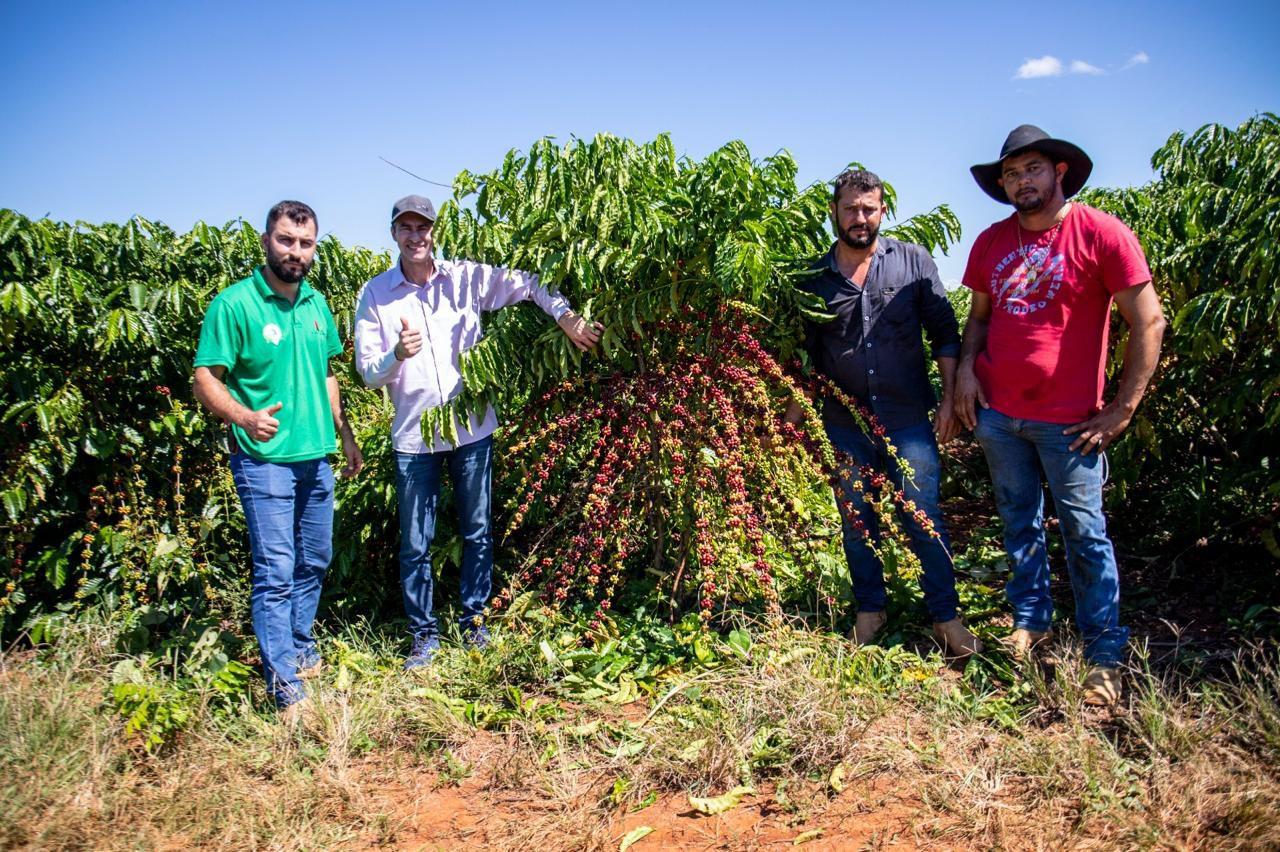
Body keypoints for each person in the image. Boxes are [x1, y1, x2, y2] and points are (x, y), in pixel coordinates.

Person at [955, 125, 1166, 705]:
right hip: (1000, 416)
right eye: (1011, 173)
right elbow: (977, 320)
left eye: (1032, 169)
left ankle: (1103, 652)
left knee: (1085, 535)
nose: (1022, 181)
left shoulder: (1100, 233)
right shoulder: (992, 242)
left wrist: (1122, 407)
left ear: (1060, 173)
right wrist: (968, 372)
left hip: (1071, 423)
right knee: (1018, 522)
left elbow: (1148, 321)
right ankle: (1032, 620)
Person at [354, 195, 601, 669]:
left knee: (478, 530)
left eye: (422, 227)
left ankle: (473, 623)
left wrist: (566, 317)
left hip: (471, 430)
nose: (415, 236)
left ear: (433, 231)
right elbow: (367, 372)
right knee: (416, 542)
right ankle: (423, 637)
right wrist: (397, 356)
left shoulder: (466, 279)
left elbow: (530, 284)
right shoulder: (377, 294)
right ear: (393, 235)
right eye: (405, 228)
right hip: (414, 438)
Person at [787, 169, 983, 658]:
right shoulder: (815, 277)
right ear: (834, 211)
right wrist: (792, 415)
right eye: (851, 208)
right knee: (857, 520)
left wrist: (949, 399)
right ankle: (870, 610)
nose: (860, 218)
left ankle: (945, 617)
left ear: (882, 211)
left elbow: (944, 331)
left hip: (907, 418)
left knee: (924, 515)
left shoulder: (912, 261)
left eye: (869, 209)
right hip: (843, 423)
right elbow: (804, 356)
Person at [192, 200, 363, 720]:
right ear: (267, 240)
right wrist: (243, 417)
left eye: (305, 243)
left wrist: (346, 433)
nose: (296, 251)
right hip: (263, 460)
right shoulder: (236, 304)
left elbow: (327, 374)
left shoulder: (316, 305)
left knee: (315, 558)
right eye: (286, 240)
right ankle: (284, 687)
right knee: (276, 569)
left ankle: (298, 647)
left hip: (317, 456)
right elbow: (205, 377)